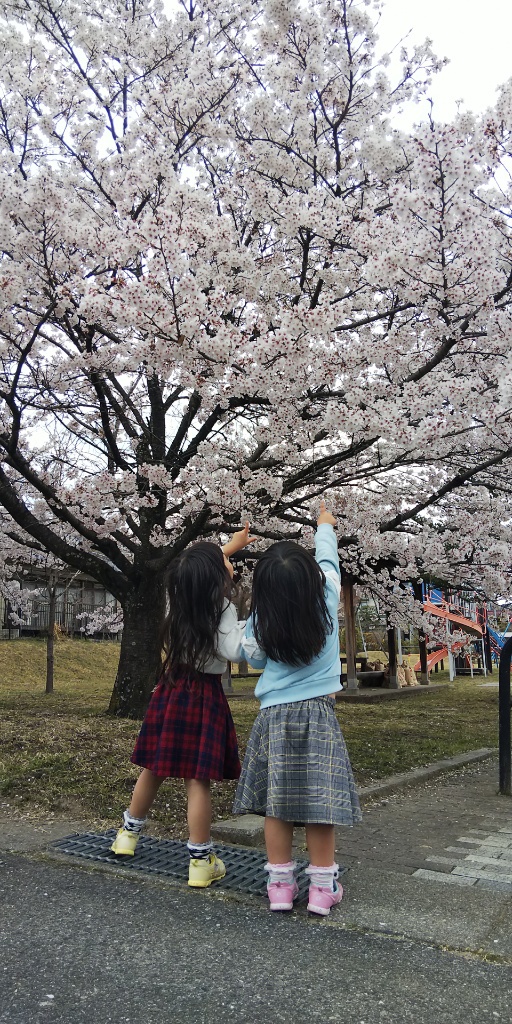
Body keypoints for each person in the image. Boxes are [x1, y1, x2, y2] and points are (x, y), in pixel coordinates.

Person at [233, 501, 361, 916]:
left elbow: (252, 658)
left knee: (278, 804)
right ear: (314, 580)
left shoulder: (262, 619)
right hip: (319, 716)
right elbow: (328, 559)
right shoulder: (326, 600)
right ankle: (323, 889)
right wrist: (324, 525)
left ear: (265, 590)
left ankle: (280, 887)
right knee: (319, 804)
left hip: (274, 719)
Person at [110, 523, 255, 888]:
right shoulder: (221, 607)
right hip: (205, 695)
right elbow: (231, 650)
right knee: (197, 781)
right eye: (226, 566)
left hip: (171, 690)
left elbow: (197, 567)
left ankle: (126, 836)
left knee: (153, 769)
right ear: (216, 577)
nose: (231, 567)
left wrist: (228, 549)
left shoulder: (179, 599)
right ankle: (200, 860)